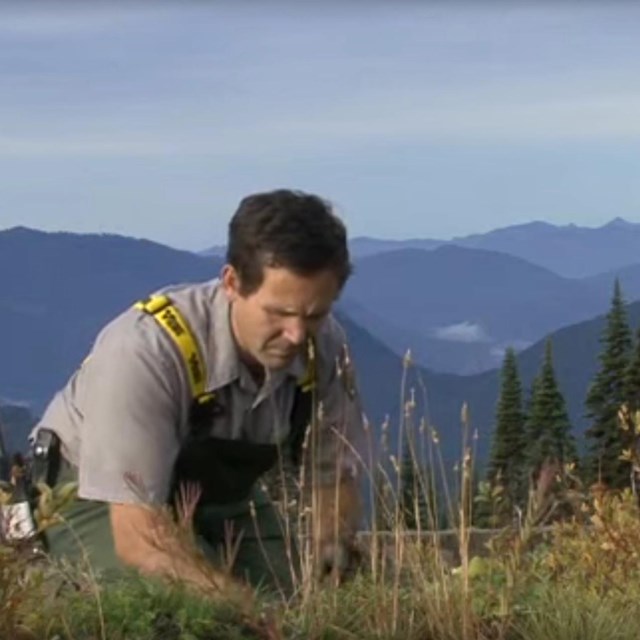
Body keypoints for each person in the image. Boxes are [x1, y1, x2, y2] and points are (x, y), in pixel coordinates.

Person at [29, 189, 366, 601]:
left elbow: (333, 476)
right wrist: (244, 610)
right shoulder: (146, 351)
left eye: (314, 314)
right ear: (232, 283)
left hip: (218, 497)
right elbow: (138, 539)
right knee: (193, 616)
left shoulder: (324, 348)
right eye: (278, 313)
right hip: (97, 496)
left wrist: (333, 541)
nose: (296, 335)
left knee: (297, 605)